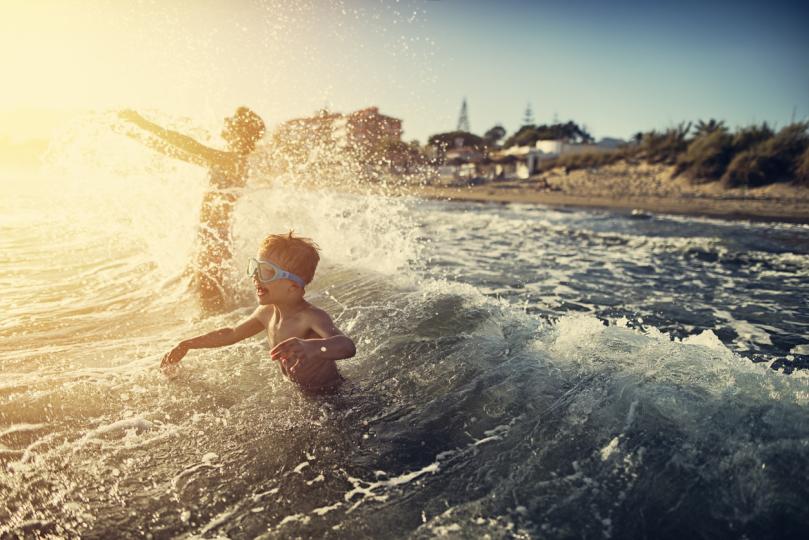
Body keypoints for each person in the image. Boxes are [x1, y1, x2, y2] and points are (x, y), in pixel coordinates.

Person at [161, 232, 356, 392]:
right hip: (299, 391)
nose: (255, 276)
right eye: (255, 268)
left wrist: (313, 348)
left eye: (266, 271)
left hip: (331, 392)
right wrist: (188, 344)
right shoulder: (266, 312)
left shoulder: (310, 317)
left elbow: (347, 346)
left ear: (293, 286)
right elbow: (231, 334)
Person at [119, 107, 266, 311]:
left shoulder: (233, 161)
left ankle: (225, 335)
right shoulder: (226, 160)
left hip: (215, 243)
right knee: (210, 301)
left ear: (240, 131)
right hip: (210, 239)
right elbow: (176, 151)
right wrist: (134, 135)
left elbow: (191, 145)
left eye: (231, 118)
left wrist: (142, 123)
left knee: (212, 306)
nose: (225, 118)